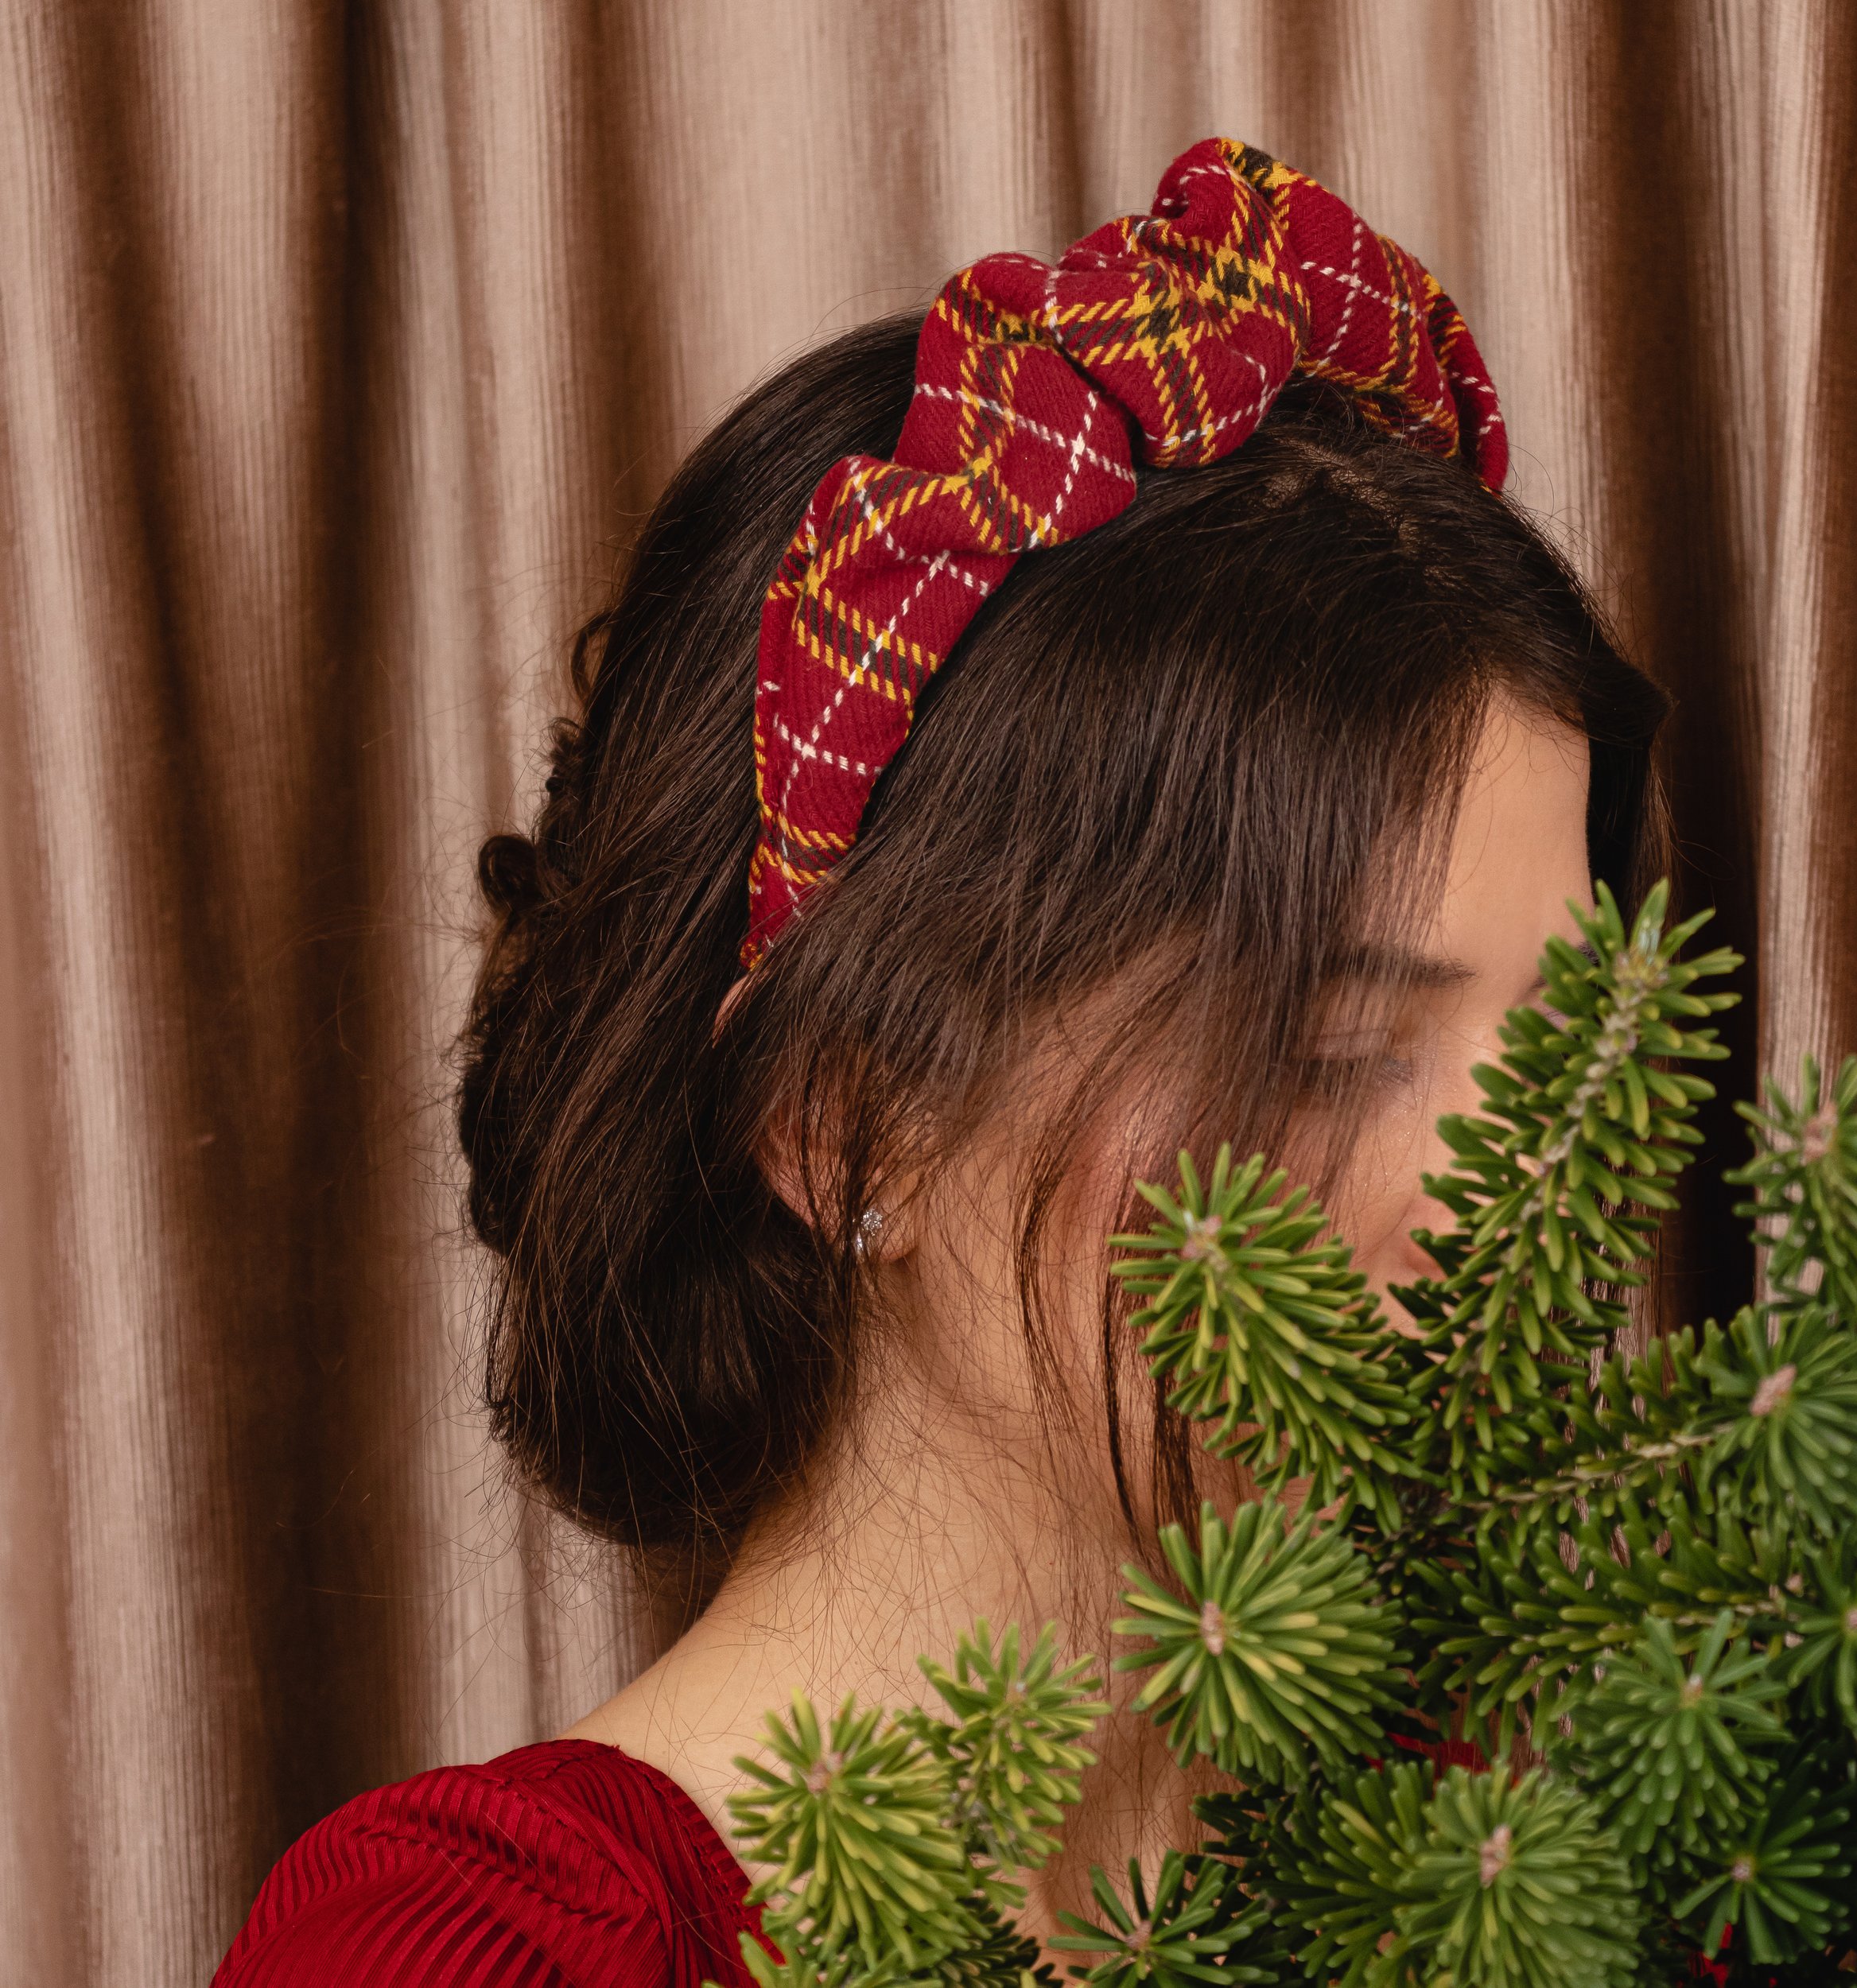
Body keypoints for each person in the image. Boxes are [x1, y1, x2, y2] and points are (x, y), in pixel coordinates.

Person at [212, 138, 1668, 1987]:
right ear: (844, 1118)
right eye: (1336, 1049)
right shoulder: (479, 1955)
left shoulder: (1536, 1847)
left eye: (1560, 1053)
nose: (1518, 1189)